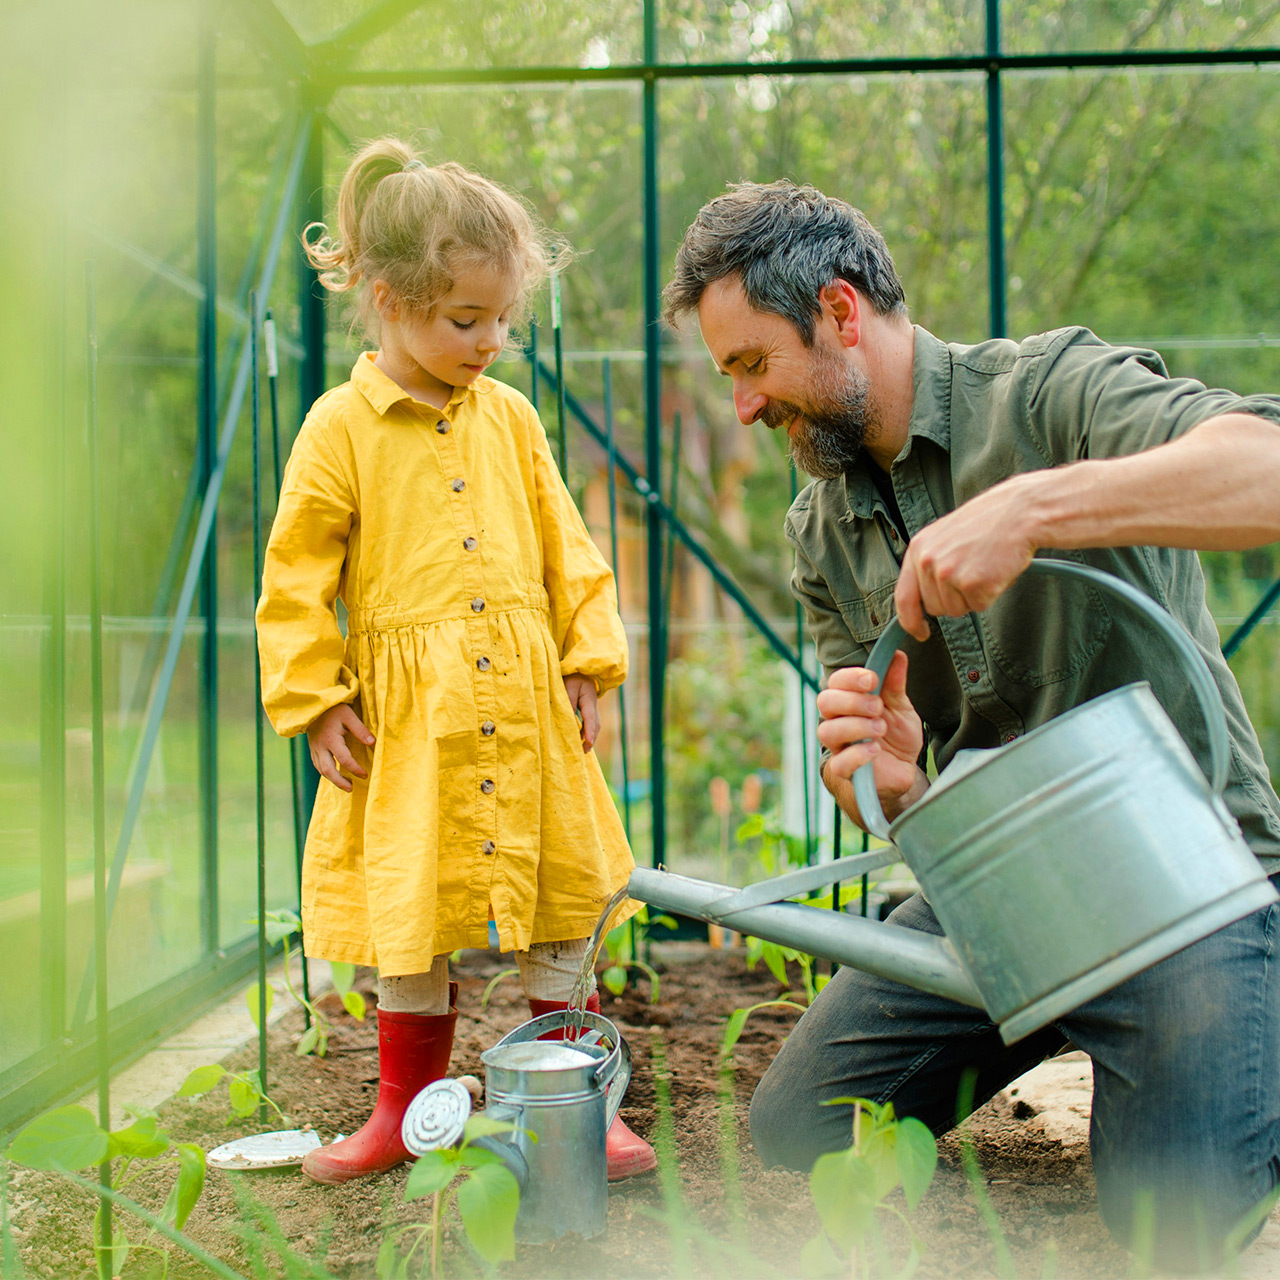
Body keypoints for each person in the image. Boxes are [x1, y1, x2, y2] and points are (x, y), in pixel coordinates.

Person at [663, 180, 1280, 1270]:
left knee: (1172, 1221)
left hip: (1187, 888)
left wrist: (1033, 508)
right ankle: (1072, 1016)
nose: (744, 408)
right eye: (729, 379)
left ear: (841, 312)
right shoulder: (821, 523)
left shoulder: (1046, 392)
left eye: (752, 364)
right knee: (800, 1121)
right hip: (1006, 895)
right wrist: (892, 782)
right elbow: (894, 782)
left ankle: (1238, 1039)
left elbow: (1266, 472)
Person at [256, 138, 656, 1185]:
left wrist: (587, 656)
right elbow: (294, 575)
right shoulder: (337, 429)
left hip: (524, 708)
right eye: (464, 320)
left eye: (500, 319)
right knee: (411, 913)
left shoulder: (511, 419)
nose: (490, 341)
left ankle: (577, 1104)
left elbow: (566, 542)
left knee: (561, 900)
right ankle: (399, 1110)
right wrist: (313, 696)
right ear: (388, 301)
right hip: (411, 722)